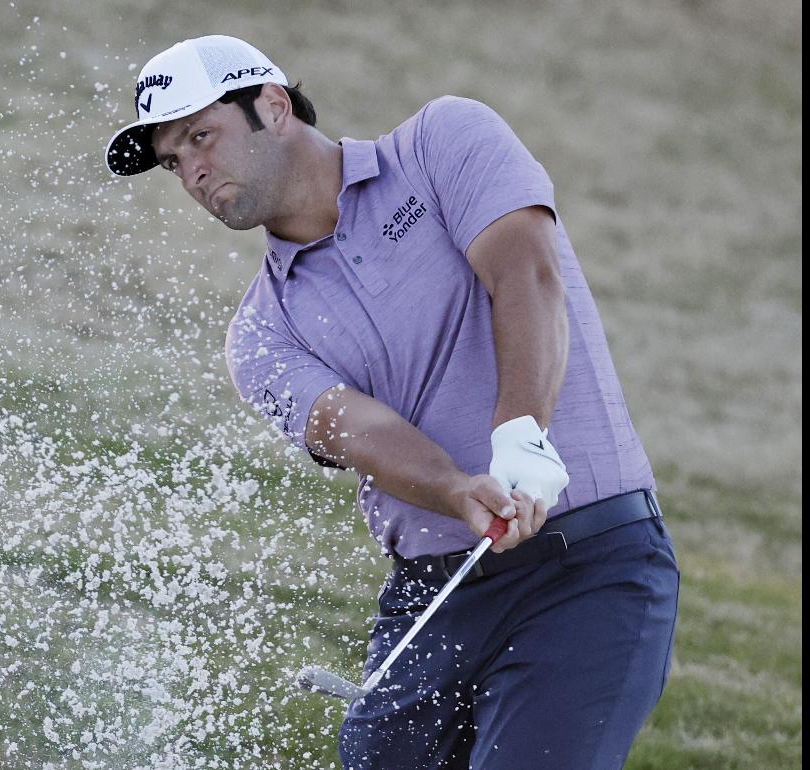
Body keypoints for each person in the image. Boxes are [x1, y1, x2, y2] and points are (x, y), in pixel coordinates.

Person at [105, 34, 679, 770]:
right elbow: (359, 432)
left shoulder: (443, 142)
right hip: (434, 598)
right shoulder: (259, 333)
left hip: (588, 567)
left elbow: (527, 275)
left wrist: (521, 436)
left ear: (273, 106)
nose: (193, 171)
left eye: (201, 136)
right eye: (173, 160)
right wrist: (456, 488)